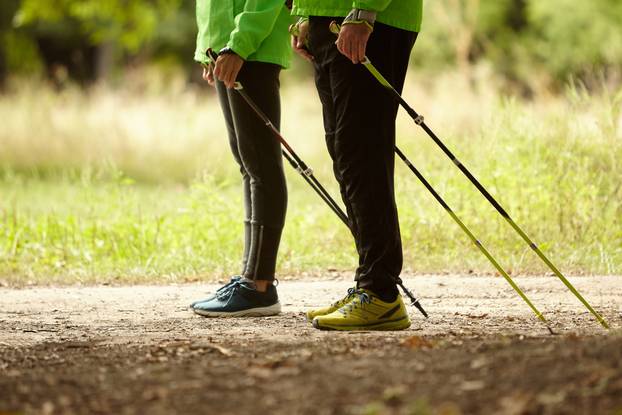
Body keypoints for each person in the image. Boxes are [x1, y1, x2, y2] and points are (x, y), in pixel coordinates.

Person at [290, 0, 422, 330]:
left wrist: (364, 10)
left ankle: (380, 292)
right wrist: (309, 14)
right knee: (346, 154)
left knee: (363, 154)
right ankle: (370, 285)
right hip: (331, 16)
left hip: (367, 18)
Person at [189, 0, 292, 317]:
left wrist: (238, 44)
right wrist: (212, 44)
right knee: (250, 168)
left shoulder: (244, 47)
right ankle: (252, 278)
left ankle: (259, 284)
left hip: (251, 50)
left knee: (262, 168)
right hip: (228, 48)